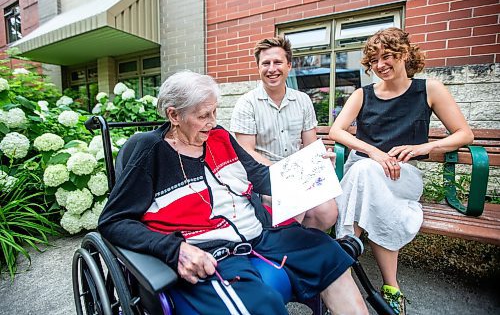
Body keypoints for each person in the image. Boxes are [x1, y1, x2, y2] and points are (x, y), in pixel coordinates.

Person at [98, 70, 369, 315]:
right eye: (203, 116)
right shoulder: (150, 151)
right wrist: (175, 249)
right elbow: (113, 221)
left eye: (214, 112)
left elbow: (260, 175)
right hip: (211, 252)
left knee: (326, 251)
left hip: (259, 235)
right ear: (174, 115)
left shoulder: (219, 137)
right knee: (260, 305)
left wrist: (310, 171)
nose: (212, 122)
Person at [329, 27, 474, 315]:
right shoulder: (362, 94)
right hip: (366, 170)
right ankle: (391, 286)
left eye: (387, 56)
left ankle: (340, 271)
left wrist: (423, 149)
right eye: (373, 60)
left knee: (362, 177)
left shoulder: (429, 89)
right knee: (365, 173)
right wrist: (372, 152)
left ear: (404, 54)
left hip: (402, 175)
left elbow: (464, 134)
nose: (379, 65)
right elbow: (336, 130)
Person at [230, 36, 338, 230]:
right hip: (263, 176)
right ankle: (284, 248)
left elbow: (311, 145)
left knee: (328, 212)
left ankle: (296, 243)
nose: (272, 69)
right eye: (266, 63)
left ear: (289, 65)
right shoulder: (247, 103)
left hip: (298, 174)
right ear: (258, 67)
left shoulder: (303, 100)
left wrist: (321, 160)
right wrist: (285, 175)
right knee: (294, 205)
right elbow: (247, 152)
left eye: (278, 62)